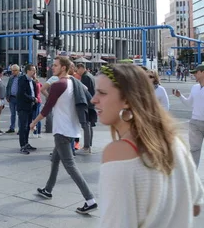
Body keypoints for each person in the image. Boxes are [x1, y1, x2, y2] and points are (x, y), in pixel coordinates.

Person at [94, 64, 204, 227]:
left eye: (102, 93)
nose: (93, 99)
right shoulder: (173, 141)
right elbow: (195, 206)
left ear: (126, 100)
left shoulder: (118, 152)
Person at [30, 56, 98, 214]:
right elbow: (87, 94)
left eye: (55, 65)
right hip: (72, 129)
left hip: (62, 130)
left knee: (70, 166)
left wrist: (33, 123)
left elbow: (47, 108)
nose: (51, 68)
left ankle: (90, 199)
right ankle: (48, 189)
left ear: (63, 67)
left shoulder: (58, 84)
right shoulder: (75, 82)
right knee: (55, 160)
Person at [173, 63, 204, 167]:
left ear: (203, 72)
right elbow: (189, 103)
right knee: (194, 150)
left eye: (196, 72)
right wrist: (180, 96)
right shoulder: (195, 87)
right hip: (195, 123)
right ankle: (193, 176)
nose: (194, 74)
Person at [76, 63, 97, 154]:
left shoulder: (85, 77)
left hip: (88, 103)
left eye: (77, 70)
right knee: (90, 125)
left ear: (81, 68)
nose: (77, 72)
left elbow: (84, 91)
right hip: (91, 103)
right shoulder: (90, 75)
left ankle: (86, 146)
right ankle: (89, 145)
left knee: (86, 125)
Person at [17, 64, 37, 154]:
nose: (34, 71)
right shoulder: (22, 79)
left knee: (28, 126)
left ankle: (26, 142)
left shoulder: (32, 81)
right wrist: (32, 99)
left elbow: (34, 93)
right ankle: (22, 145)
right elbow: (22, 93)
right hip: (23, 107)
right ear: (28, 71)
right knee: (23, 126)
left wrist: (34, 101)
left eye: (35, 70)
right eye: (33, 70)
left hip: (30, 106)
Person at [5, 64, 21, 133]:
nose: (13, 72)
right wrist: (7, 96)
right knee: (12, 114)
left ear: (18, 70)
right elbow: (8, 87)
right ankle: (12, 127)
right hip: (11, 98)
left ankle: (20, 128)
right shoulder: (11, 78)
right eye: (12, 70)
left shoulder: (21, 77)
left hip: (19, 98)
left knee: (19, 114)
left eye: (14, 71)